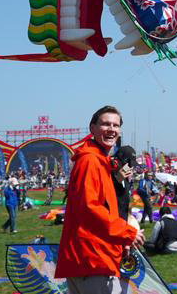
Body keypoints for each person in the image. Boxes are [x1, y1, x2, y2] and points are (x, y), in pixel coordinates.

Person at [54, 105, 144, 294]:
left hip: (95, 258)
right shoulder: (90, 161)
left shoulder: (99, 161)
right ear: (92, 128)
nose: (111, 129)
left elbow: (107, 209)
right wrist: (127, 233)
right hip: (92, 260)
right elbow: (89, 208)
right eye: (105, 124)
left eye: (116, 125)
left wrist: (121, 242)